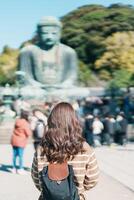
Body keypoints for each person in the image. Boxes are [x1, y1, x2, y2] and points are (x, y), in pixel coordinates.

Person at [31, 102, 99, 200]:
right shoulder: (84, 148)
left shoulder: (42, 148)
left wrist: (52, 190)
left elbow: (36, 178)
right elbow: (93, 178)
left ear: (51, 121)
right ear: (74, 121)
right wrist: (78, 189)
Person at [18, 16, 90, 100]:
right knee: (25, 92)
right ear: (38, 34)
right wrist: (34, 84)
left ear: (59, 33)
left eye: (53, 33)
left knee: (83, 92)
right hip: (38, 89)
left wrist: (65, 84)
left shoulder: (68, 52)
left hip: (61, 89)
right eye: (45, 33)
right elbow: (24, 74)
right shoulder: (28, 51)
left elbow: (72, 75)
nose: (49, 37)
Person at [11, 109, 32, 174]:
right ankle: (20, 168)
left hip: (14, 140)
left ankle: (13, 168)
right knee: (20, 156)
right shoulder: (25, 123)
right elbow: (28, 133)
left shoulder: (17, 121)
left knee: (14, 155)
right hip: (21, 141)